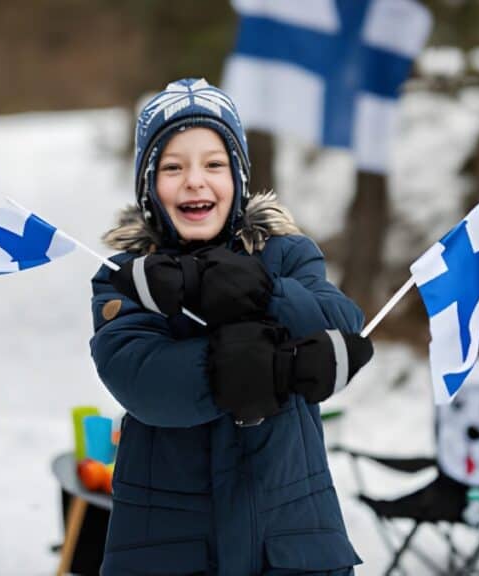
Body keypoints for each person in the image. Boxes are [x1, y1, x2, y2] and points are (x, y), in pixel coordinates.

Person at [89, 78, 374, 575]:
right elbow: (142, 378)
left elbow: (340, 324)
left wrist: (264, 290)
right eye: (173, 167)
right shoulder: (130, 275)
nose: (195, 181)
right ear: (149, 186)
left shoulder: (287, 254)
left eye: (214, 165)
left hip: (290, 541)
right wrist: (279, 368)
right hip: (168, 547)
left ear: (239, 178)